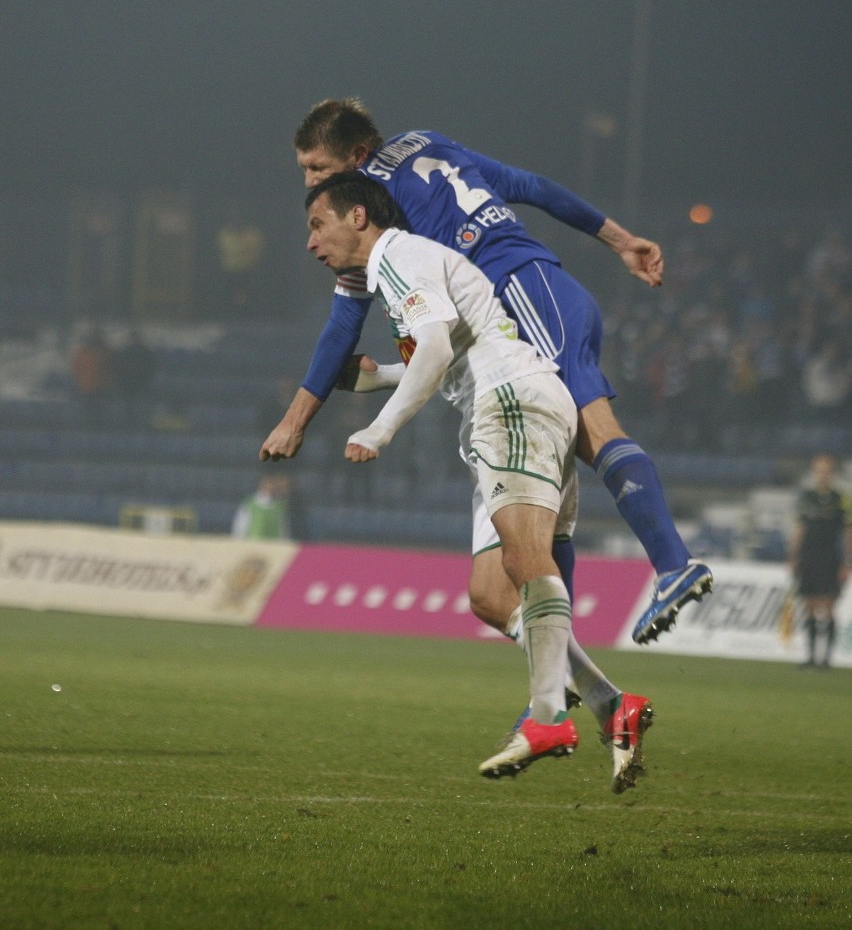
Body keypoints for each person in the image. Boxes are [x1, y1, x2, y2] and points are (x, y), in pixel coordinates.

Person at [264, 98, 712, 645]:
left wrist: (296, 421)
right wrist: (620, 241)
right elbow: (529, 186)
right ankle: (555, 695)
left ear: (358, 155)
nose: (309, 181)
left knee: (597, 434)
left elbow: (343, 324)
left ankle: (673, 566)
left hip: (522, 290)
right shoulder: (426, 141)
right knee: (550, 504)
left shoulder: (372, 203)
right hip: (543, 292)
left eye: (317, 169)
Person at [263, 172, 654, 790]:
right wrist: (379, 377)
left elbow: (441, 350)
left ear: (358, 217)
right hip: (503, 404)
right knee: (490, 596)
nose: (311, 242)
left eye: (318, 224)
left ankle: (550, 715)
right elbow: (447, 351)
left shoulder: (397, 255)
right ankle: (612, 706)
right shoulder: (410, 262)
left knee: (529, 561)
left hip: (510, 403)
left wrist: (380, 428)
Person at [788, 455, 850, 668]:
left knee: (829, 606)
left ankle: (827, 658)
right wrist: (794, 556)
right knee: (809, 605)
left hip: (831, 557)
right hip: (809, 556)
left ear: (832, 474)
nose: (822, 474)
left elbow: (847, 532)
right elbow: (800, 529)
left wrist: (846, 561)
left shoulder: (840, 498)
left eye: (826, 471)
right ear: (814, 473)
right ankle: (812, 656)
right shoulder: (806, 497)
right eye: (818, 470)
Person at [232, 474, 295, 540]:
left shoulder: (280, 507)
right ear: (262, 484)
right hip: (252, 545)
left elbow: (283, 529)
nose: (271, 487)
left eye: (273, 484)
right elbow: (240, 526)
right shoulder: (249, 504)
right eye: (268, 483)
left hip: (273, 546)